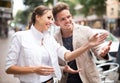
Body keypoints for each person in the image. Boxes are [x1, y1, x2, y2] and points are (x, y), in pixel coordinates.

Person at [5, 5, 108, 83]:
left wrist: (91, 46)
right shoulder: (20, 37)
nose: (51, 22)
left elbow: (67, 56)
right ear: (38, 17)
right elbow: (8, 68)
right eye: (49, 18)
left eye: (51, 19)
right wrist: (34, 69)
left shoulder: (49, 39)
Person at [52, 2, 112, 83]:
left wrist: (102, 52)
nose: (67, 20)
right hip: (66, 80)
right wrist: (63, 69)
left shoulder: (85, 30)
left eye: (68, 17)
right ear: (56, 23)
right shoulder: (54, 38)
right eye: (63, 19)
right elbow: (53, 63)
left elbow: (98, 49)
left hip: (88, 79)